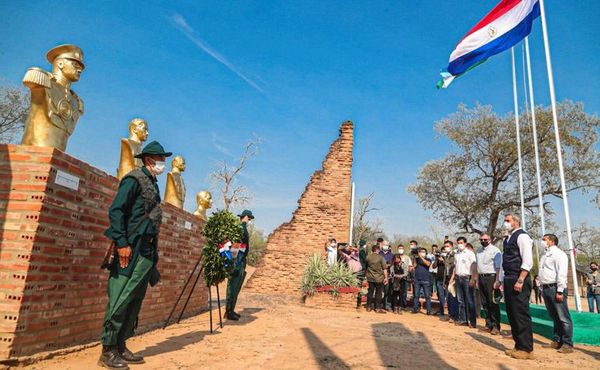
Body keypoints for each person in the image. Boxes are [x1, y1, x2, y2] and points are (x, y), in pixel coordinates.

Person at [100, 140, 172, 369]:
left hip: (146, 249)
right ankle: (108, 349)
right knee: (121, 297)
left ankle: (121, 344)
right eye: (161, 159)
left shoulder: (152, 182)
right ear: (150, 159)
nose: (163, 163)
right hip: (130, 248)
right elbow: (117, 210)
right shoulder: (134, 179)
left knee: (135, 299)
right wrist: (121, 242)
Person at [499, 214, 535, 360]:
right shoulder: (507, 239)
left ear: (516, 222)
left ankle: (526, 348)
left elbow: (527, 260)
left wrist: (520, 280)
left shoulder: (522, 237)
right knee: (512, 313)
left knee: (520, 313)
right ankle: (518, 345)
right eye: (505, 221)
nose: (505, 223)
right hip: (508, 278)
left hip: (518, 277)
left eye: (508, 220)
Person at [539, 234, 574, 354]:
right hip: (546, 288)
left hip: (555, 288)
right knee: (554, 316)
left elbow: (562, 273)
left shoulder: (559, 254)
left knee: (563, 317)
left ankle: (567, 343)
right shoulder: (544, 254)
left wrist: (560, 290)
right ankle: (557, 340)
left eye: (544, 240)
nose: (542, 241)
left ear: (552, 241)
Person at [225, 209, 254, 320]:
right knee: (233, 286)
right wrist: (234, 262)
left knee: (236, 287)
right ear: (246, 217)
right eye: (249, 218)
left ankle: (231, 310)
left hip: (240, 260)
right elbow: (236, 245)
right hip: (237, 261)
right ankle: (228, 312)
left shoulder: (243, 227)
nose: (250, 220)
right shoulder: (241, 228)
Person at [476, 233, 502, 335]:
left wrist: (497, 280)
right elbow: (478, 266)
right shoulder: (478, 251)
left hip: (491, 278)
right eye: (481, 239)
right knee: (485, 303)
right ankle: (488, 324)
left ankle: (496, 326)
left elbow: (498, 267)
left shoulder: (495, 251)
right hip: (481, 277)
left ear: (490, 240)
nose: (483, 241)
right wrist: (477, 280)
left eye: (485, 239)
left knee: (492, 303)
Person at [449, 237, 477, 328]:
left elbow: (473, 265)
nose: (459, 244)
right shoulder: (457, 254)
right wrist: (452, 278)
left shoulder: (470, 253)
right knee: (460, 300)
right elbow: (455, 267)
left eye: (461, 243)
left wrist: (473, 278)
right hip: (458, 277)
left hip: (467, 278)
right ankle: (463, 319)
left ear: (465, 243)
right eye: (458, 243)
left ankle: (472, 321)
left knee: (469, 300)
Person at [366, 244, 388, 313]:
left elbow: (366, 267)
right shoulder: (381, 258)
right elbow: (385, 269)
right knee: (378, 293)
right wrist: (386, 278)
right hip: (379, 278)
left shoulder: (368, 257)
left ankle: (369, 307)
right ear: (377, 250)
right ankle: (377, 308)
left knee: (370, 292)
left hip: (370, 278)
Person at [412, 247, 432, 314]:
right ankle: (415, 309)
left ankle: (428, 310)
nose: (421, 253)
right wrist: (414, 257)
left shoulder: (428, 259)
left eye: (423, 252)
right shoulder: (417, 259)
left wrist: (421, 257)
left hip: (426, 279)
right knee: (416, 295)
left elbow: (428, 264)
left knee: (427, 296)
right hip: (417, 279)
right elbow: (414, 266)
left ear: (425, 253)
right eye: (420, 252)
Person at [432, 244, 448, 317]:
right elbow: (434, 266)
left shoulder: (449, 258)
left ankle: (451, 313)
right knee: (441, 296)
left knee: (448, 296)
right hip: (439, 279)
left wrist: (444, 261)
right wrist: (436, 258)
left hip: (447, 280)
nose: (444, 252)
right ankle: (441, 311)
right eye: (443, 251)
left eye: (445, 250)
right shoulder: (438, 258)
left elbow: (448, 267)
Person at [379, 241, 394, 310]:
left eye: (387, 245)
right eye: (384, 245)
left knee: (387, 291)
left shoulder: (391, 255)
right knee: (379, 290)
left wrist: (387, 265)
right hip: (379, 274)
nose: (385, 246)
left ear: (388, 246)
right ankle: (378, 305)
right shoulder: (379, 253)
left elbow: (392, 264)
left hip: (388, 274)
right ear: (382, 245)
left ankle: (387, 305)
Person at [397, 244, 411, 309]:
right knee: (396, 291)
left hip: (405, 277)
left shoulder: (407, 257)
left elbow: (410, 266)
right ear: (397, 249)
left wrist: (408, 271)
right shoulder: (395, 257)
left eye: (402, 248)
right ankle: (396, 304)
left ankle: (403, 304)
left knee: (404, 292)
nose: (401, 249)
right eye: (399, 248)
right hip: (397, 277)